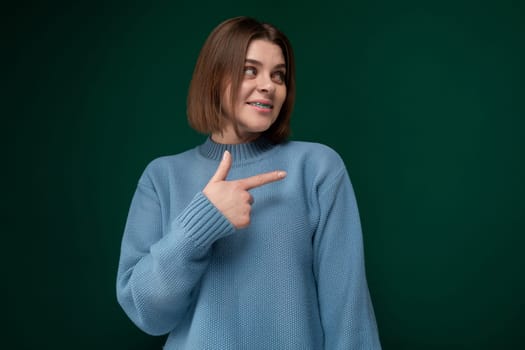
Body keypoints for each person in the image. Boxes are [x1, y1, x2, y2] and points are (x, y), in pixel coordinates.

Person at [116, 16, 382, 349]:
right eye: (250, 70)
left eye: (278, 75)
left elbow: (349, 315)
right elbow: (148, 314)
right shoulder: (162, 177)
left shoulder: (317, 168)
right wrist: (199, 223)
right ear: (214, 78)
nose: (268, 85)